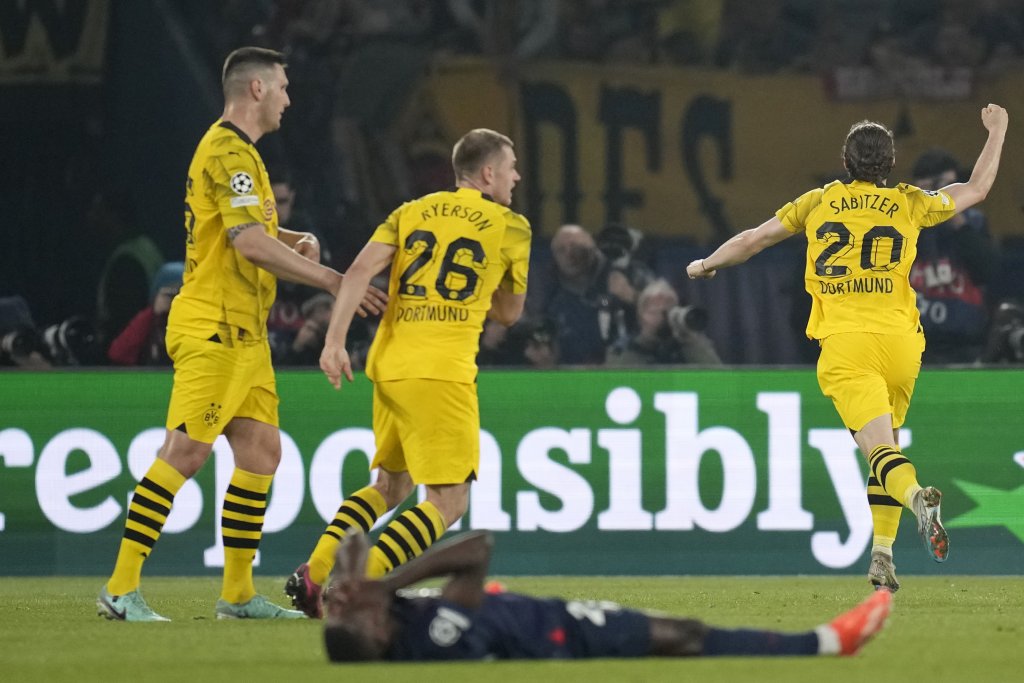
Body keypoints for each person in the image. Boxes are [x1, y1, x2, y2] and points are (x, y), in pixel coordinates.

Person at [96, 46, 386, 622]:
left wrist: (295, 238)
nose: (288, 99)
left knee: (261, 453)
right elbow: (248, 243)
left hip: (245, 334)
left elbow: (248, 229)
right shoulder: (228, 151)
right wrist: (333, 280)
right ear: (257, 89)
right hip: (214, 325)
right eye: (282, 87)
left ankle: (237, 595)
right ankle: (119, 589)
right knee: (185, 452)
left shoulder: (243, 155)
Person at [686, 104, 1008, 592]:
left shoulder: (819, 202)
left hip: (847, 343)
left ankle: (917, 497)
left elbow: (753, 240)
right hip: (902, 343)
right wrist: (998, 129)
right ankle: (883, 554)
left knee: (879, 451)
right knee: (887, 446)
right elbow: (977, 188)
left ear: (845, 161)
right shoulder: (910, 202)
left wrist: (706, 264)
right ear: (891, 164)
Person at [284, 128, 531, 618]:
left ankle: (314, 573)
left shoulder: (410, 211)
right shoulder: (510, 226)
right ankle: (359, 587)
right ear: (488, 174)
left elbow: (358, 272)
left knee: (390, 486)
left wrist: (335, 341)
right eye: (511, 168)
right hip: (441, 371)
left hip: (390, 364)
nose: (516, 177)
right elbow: (509, 313)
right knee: (448, 501)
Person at [322, 530, 892, 662]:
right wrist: (385, 583)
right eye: (362, 612)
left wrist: (351, 584)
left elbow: (353, 542)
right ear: (376, 631)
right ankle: (826, 643)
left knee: (683, 636)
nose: (362, 605)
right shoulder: (436, 637)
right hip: (560, 633)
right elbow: (477, 548)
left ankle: (823, 642)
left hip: (541, 619)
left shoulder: (384, 630)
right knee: (685, 636)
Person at [909, 148, 997, 364]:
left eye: (948, 185)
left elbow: (985, 271)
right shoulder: (905, 222)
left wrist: (950, 210)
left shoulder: (973, 222)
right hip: (916, 342)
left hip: (966, 342)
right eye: (933, 187)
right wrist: (925, 207)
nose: (941, 192)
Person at [606, 278, 722, 366]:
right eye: (654, 308)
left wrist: (689, 340)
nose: (663, 312)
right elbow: (619, 378)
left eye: (668, 304)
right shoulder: (623, 349)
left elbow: (717, 377)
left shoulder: (690, 344)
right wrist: (649, 337)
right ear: (641, 315)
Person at [107, 261, 184, 366]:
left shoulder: (197, 320)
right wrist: (153, 312)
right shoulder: (150, 321)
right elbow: (118, 354)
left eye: (180, 294)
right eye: (169, 295)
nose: (174, 299)